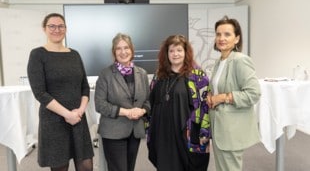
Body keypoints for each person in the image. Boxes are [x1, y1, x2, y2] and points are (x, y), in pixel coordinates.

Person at [27, 13, 94, 171]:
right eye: (52, 26)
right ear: (44, 29)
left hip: (77, 119)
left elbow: (84, 86)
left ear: (66, 29)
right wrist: (67, 114)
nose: (56, 29)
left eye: (61, 26)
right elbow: (40, 92)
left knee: (86, 165)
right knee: (60, 167)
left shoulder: (74, 54)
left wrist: (80, 111)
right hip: (53, 121)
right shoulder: (38, 54)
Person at [147, 35, 211, 171]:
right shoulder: (159, 75)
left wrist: (204, 133)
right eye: (171, 51)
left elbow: (205, 106)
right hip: (163, 135)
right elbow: (151, 102)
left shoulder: (197, 75)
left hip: (187, 134)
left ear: (185, 52)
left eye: (179, 50)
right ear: (167, 54)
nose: (175, 54)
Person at [206, 16, 261, 171]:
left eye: (227, 34)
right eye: (218, 34)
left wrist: (223, 97)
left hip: (231, 129)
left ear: (237, 39)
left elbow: (253, 94)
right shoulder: (220, 61)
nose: (221, 38)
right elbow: (217, 87)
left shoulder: (240, 60)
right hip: (219, 127)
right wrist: (211, 96)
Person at [94, 33, 150, 171]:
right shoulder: (106, 74)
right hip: (113, 132)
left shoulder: (142, 73)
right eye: (118, 48)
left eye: (126, 47)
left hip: (134, 131)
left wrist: (142, 110)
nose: (123, 52)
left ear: (132, 50)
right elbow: (100, 104)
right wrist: (126, 112)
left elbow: (148, 101)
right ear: (114, 52)